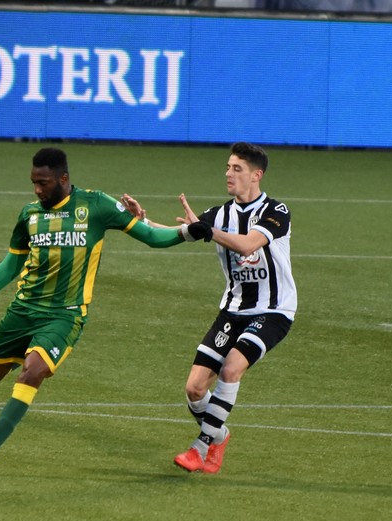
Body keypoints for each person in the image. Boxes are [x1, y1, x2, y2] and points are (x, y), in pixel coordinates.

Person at [0, 147, 212, 477]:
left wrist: (186, 233)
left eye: (43, 183)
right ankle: (32, 352)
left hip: (64, 315)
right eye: (33, 182)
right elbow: (11, 265)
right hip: (22, 311)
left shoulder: (97, 205)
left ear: (63, 179)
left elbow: (150, 236)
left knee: (32, 373)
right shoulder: (30, 215)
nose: (37, 189)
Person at [121, 142, 297, 474]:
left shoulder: (277, 211)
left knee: (231, 369)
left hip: (272, 310)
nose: (228, 174)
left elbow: (247, 243)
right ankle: (220, 434)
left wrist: (208, 231)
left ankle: (200, 448)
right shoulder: (219, 214)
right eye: (228, 167)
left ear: (256, 175)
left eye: (237, 169)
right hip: (232, 310)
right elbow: (174, 234)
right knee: (194, 388)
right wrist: (140, 222)